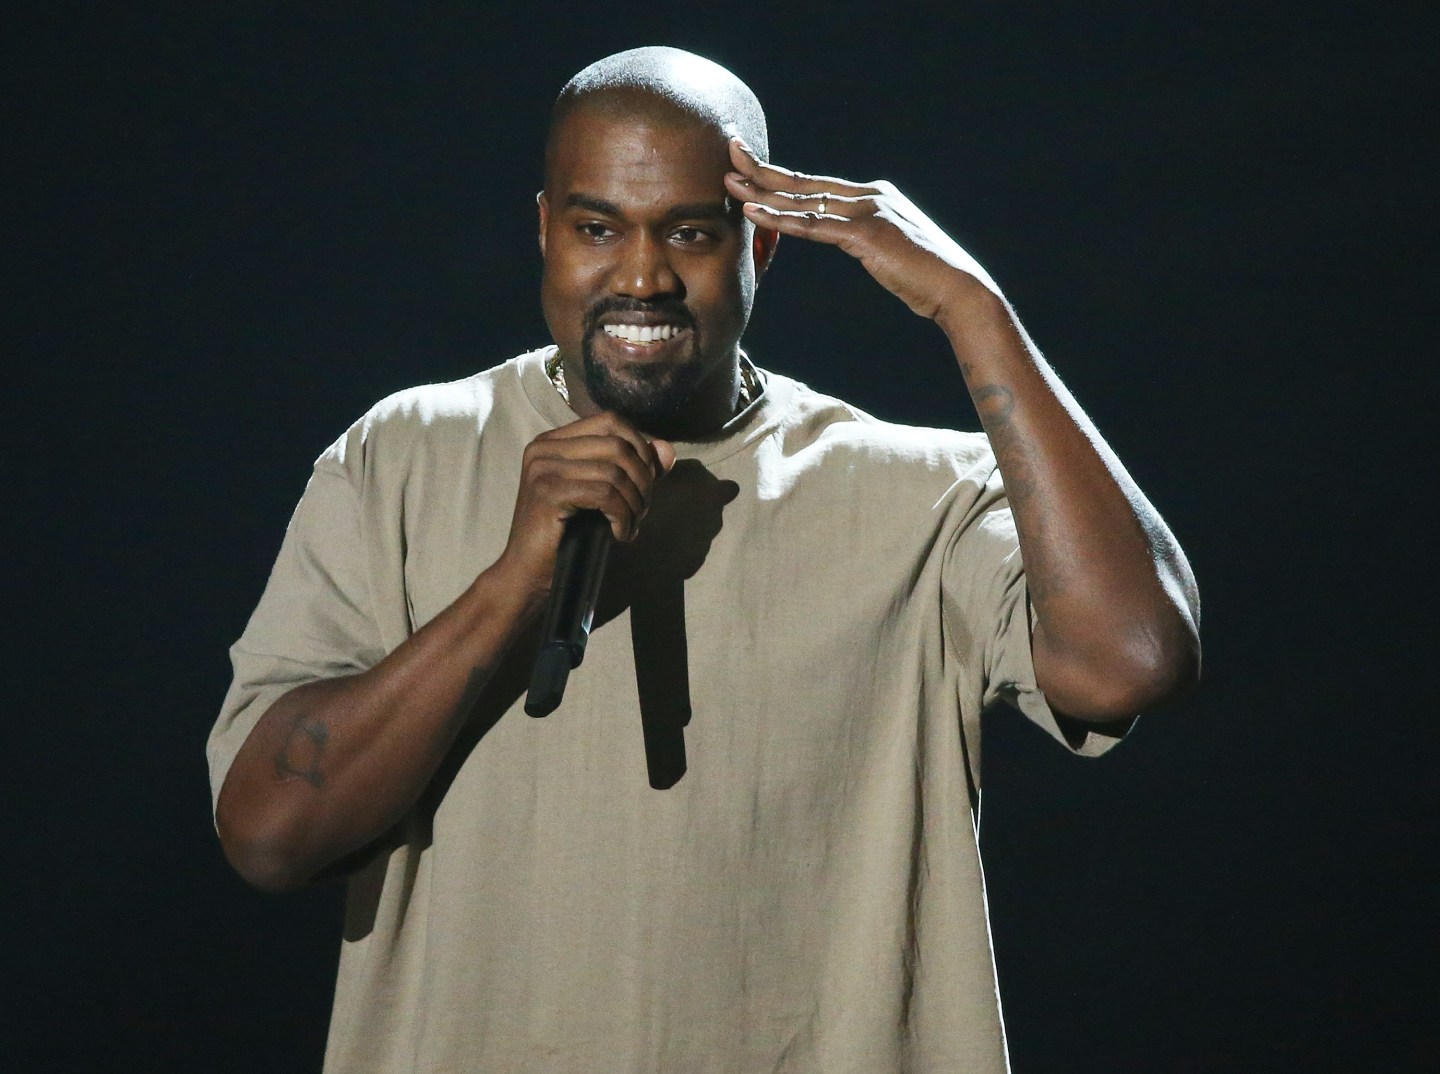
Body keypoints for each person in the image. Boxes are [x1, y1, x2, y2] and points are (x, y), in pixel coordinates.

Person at [208, 46, 1199, 1073]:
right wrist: (511, 586)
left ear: (760, 243)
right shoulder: (399, 456)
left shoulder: (924, 495)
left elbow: (1132, 659)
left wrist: (973, 308)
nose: (642, 277)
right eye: (597, 229)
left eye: (690, 232)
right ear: (544, 231)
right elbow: (269, 835)